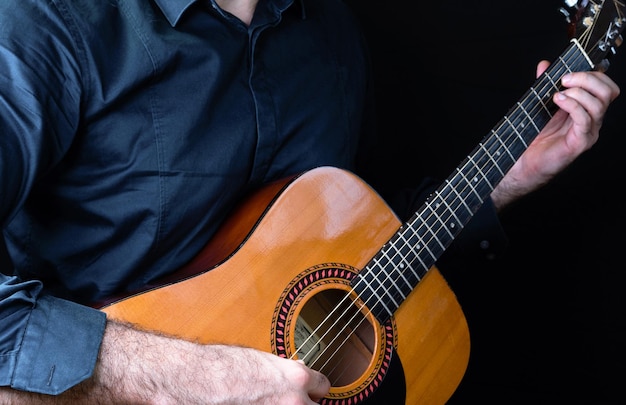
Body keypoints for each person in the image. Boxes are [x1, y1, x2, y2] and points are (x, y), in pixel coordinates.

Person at [0, 0, 620, 403]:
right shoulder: (47, 24)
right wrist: (195, 378)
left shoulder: (332, 40)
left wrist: (505, 180)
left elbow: (349, 246)